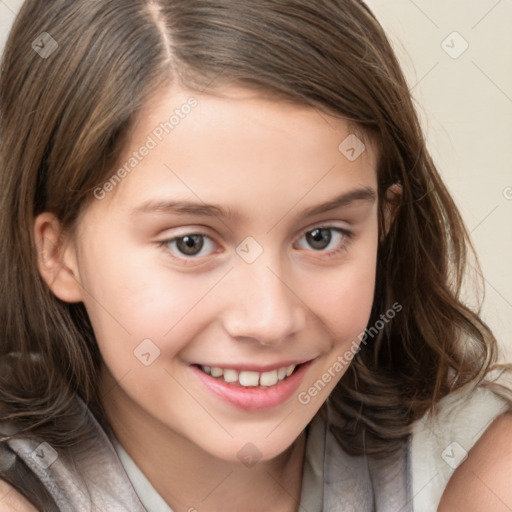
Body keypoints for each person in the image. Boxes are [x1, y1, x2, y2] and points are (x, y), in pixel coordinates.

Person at [0, 1, 510, 510]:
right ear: (58, 252)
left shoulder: (479, 465)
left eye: (321, 236)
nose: (269, 320)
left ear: (384, 222)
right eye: (190, 243)